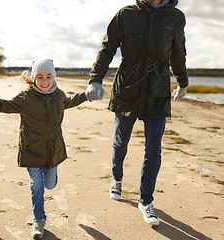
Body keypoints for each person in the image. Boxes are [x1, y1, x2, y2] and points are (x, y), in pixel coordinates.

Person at [87, 0, 188, 226]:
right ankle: (117, 178)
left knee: (154, 148)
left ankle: (146, 200)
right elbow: (107, 48)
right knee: (121, 141)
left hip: (158, 91)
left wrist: (183, 81)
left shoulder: (176, 17)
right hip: (127, 89)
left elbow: (178, 51)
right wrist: (95, 79)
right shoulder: (126, 14)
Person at [0, 59, 90, 238]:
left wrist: (87, 95)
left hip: (52, 151)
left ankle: (50, 180)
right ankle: (39, 220)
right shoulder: (26, 98)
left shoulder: (59, 95)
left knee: (50, 184)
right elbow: (5, 105)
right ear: (34, 78)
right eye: (40, 77)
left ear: (54, 77)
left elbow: (70, 102)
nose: (45, 81)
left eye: (48, 76)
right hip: (31, 150)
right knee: (37, 186)